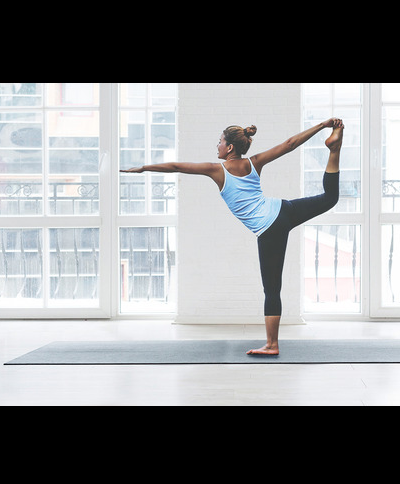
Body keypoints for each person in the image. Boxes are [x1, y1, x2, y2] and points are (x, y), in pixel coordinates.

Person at [120, 117, 344, 355]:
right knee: (329, 198)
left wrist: (144, 168)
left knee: (272, 289)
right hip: (283, 210)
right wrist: (321, 126)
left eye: (219, 142)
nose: (216, 146)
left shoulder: (216, 171)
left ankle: (272, 345)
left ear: (229, 148)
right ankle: (334, 150)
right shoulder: (254, 162)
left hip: (269, 228)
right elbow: (289, 144)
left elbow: (176, 167)